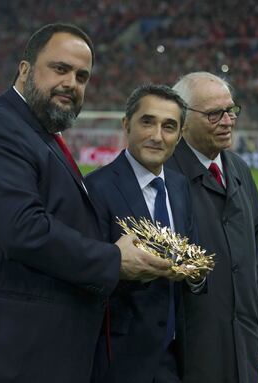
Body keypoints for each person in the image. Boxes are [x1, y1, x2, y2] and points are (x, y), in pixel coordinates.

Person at [0, 24, 176, 383]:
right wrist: (115, 260)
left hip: (21, 350)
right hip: (0, 354)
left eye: (82, 76)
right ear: (25, 69)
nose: (71, 83)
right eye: (60, 69)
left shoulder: (33, 132)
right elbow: (24, 231)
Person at [85, 84, 207, 383]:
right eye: (147, 122)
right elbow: (81, 272)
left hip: (173, 359)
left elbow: (192, 257)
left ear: (179, 135)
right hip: (118, 361)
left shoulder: (179, 188)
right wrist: (121, 268)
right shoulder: (95, 189)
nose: (157, 135)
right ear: (126, 125)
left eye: (168, 126)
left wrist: (195, 274)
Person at [166, 71, 258, 383]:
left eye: (230, 110)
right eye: (214, 114)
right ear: (182, 120)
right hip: (191, 353)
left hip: (244, 340)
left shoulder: (238, 168)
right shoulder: (165, 175)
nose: (228, 121)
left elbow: (255, 258)